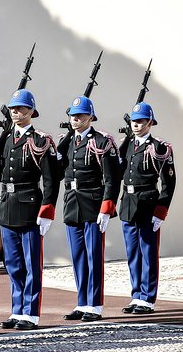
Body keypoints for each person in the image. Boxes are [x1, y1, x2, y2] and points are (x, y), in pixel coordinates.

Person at [0, 89, 60, 330]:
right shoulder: (7, 139)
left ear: (31, 111)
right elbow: (2, 176)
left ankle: (31, 313)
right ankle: (17, 309)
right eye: (13, 109)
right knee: (13, 263)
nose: (16, 112)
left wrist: (47, 209)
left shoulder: (41, 141)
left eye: (20, 109)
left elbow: (51, 179)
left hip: (30, 206)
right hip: (8, 205)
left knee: (31, 264)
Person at [56, 97, 120, 322]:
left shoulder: (102, 141)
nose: (75, 119)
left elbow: (112, 179)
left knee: (94, 256)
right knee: (78, 257)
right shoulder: (68, 142)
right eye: (73, 115)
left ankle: (95, 305)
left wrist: (106, 207)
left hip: (93, 204)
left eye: (80, 115)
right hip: (72, 203)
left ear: (90, 117)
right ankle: (82, 302)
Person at [118, 102, 176, 314]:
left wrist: (161, 210)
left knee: (148, 251)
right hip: (128, 203)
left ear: (150, 122)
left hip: (148, 203)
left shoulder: (160, 147)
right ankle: (136, 295)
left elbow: (169, 182)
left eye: (141, 121)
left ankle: (147, 298)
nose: (136, 124)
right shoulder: (126, 145)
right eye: (134, 120)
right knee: (133, 252)